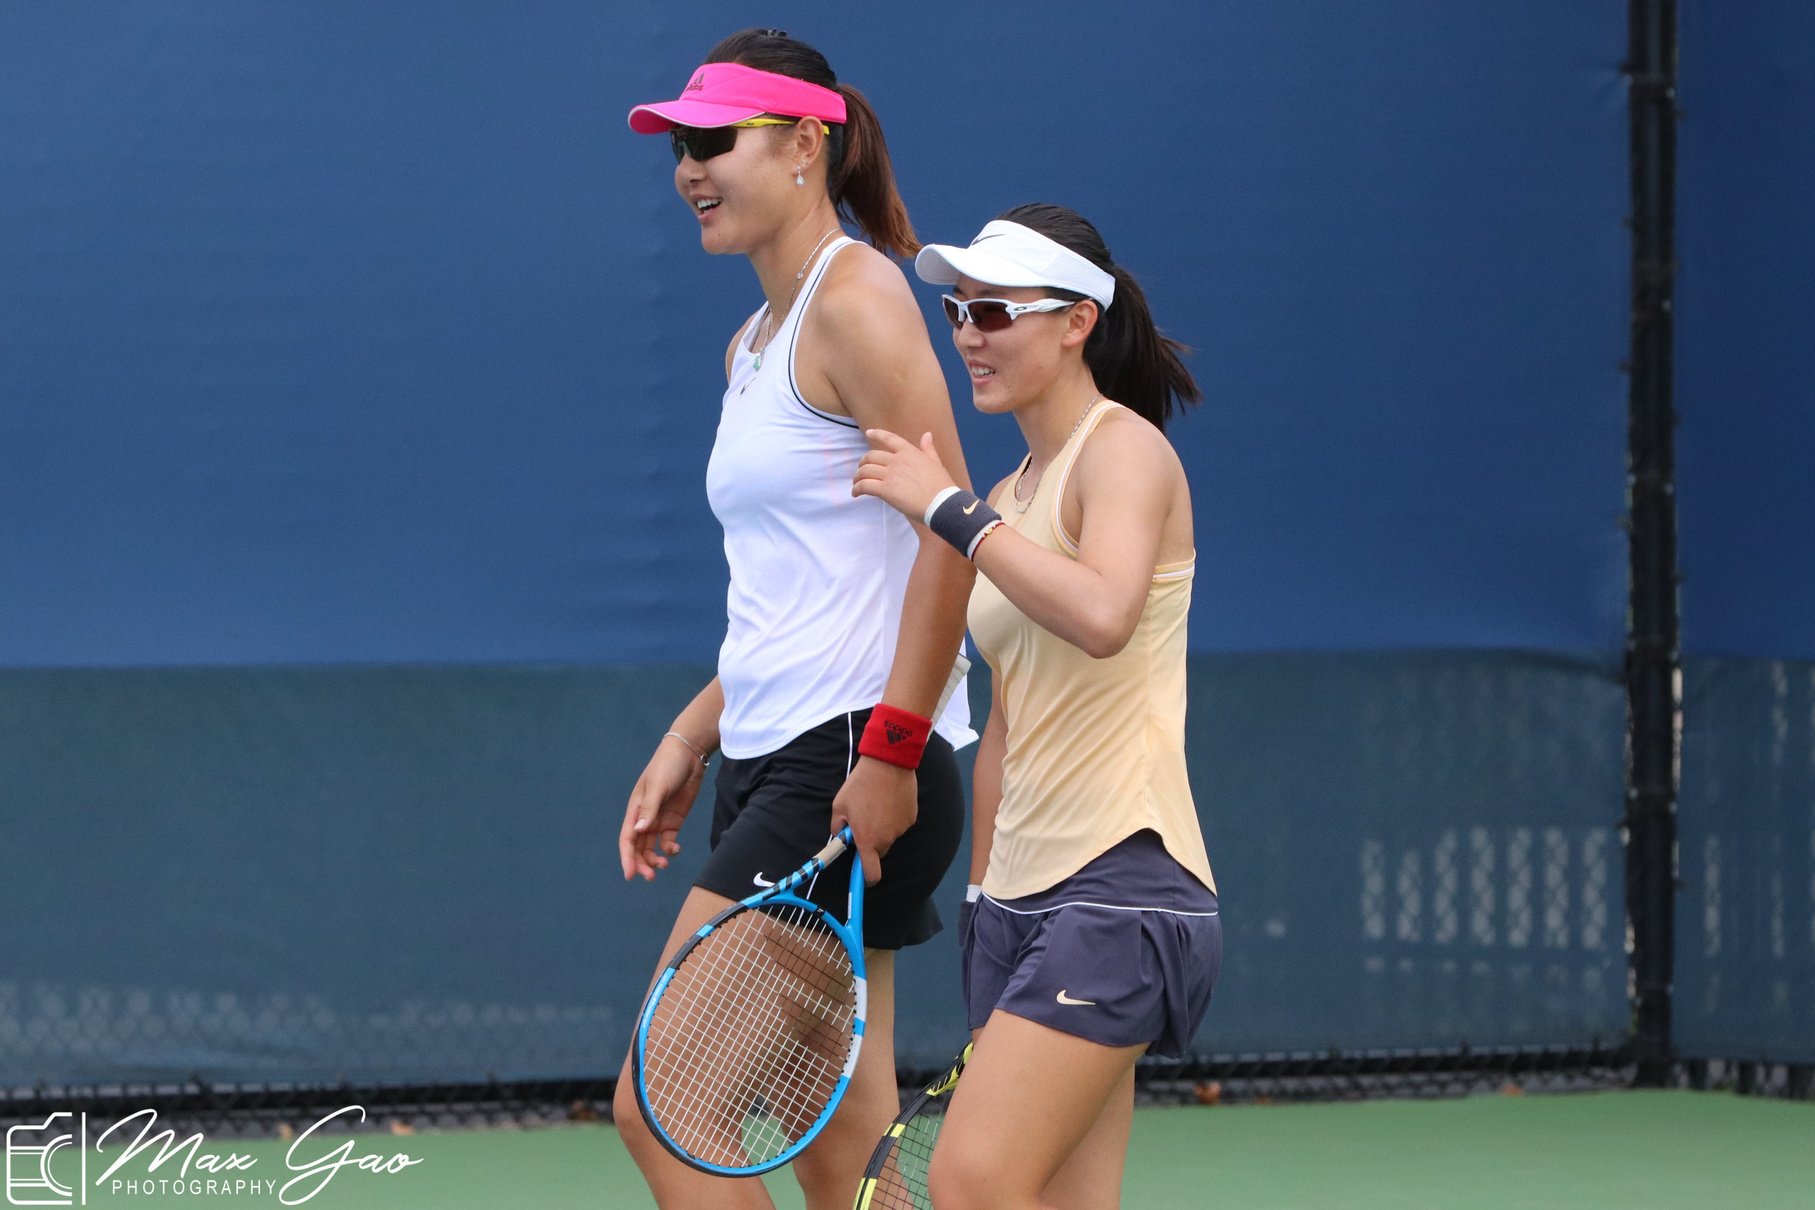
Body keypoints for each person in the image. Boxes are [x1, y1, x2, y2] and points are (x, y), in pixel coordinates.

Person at [613, 28, 977, 1210]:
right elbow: (801, 587)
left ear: (805, 143)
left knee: (665, 1109)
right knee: (844, 1148)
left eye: (712, 140)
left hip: (855, 758)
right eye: (678, 146)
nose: (688, 168)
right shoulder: (751, 345)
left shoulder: (860, 299)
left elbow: (953, 531)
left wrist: (892, 750)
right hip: (783, 753)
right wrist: (690, 736)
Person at [851, 203, 1222, 1210]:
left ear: (1076, 322)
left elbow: (1104, 614)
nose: (969, 333)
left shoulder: (1124, 452)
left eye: (997, 311)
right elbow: (1007, 720)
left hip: (1123, 885)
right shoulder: (1012, 493)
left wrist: (950, 512)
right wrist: (983, 907)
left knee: (973, 1182)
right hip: (1022, 902)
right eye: (960, 311)